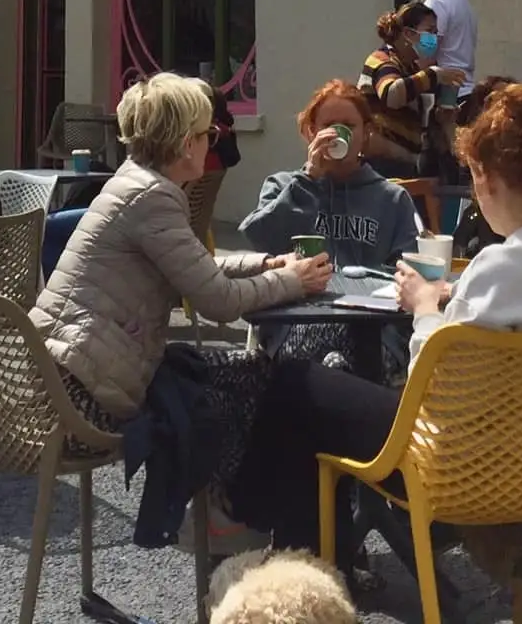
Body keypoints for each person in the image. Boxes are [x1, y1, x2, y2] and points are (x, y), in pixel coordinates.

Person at [229, 83, 522, 552]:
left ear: (487, 180)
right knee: (323, 380)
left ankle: (282, 541)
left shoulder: (495, 267)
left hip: (460, 469)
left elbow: (434, 388)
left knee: (297, 385)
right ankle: (322, 550)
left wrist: (426, 308)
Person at [35, 73, 328, 538]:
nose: (211, 144)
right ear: (185, 141)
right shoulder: (154, 198)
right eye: (207, 134)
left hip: (68, 370)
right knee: (255, 380)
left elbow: (197, 268)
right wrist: (289, 281)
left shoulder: (134, 183)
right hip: (83, 394)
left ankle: (225, 517)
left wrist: (268, 264)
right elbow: (218, 302)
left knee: (216, 378)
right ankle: (229, 522)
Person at [240, 80, 422, 370]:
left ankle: (334, 381)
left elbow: (409, 272)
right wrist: (308, 179)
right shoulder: (284, 186)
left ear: (365, 134)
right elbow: (261, 241)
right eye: (328, 125)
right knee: (331, 363)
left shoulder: (391, 198)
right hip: (298, 321)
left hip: (370, 326)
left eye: (349, 125)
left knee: (343, 358)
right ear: (311, 131)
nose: (339, 134)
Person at [358, 3, 462, 176]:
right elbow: (391, 94)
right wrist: (433, 75)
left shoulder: (411, 70)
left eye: (436, 33)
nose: (434, 38)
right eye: (430, 31)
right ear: (408, 34)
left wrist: (441, 117)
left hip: (403, 164)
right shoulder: (382, 60)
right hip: (380, 164)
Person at [418, 0, 478, 129]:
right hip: (466, 92)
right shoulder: (463, 3)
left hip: (446, 98)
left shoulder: (437, 3)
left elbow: (427, 50)